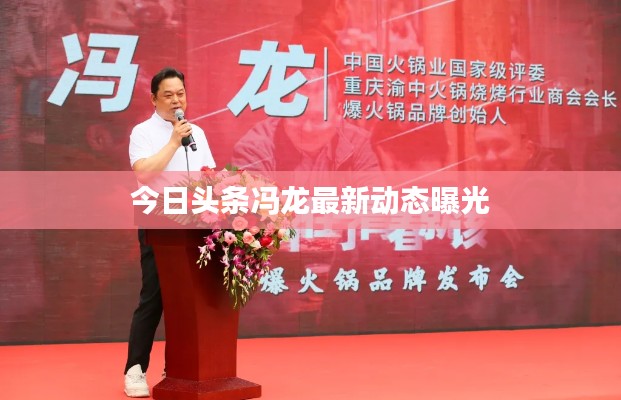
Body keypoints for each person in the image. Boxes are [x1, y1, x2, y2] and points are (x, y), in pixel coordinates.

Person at [124, 67, 216, 397]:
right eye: (168, 95)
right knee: (154, 296)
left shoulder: (197, 132)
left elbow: (210, 174)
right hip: (159, 223)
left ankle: (178, 367)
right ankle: (135, 370)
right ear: (154, 99)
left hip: (195, 225)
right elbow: (144, 174)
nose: (177, 100)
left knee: (189, 299)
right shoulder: (143, 132)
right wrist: (174, 141)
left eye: (181, 94)